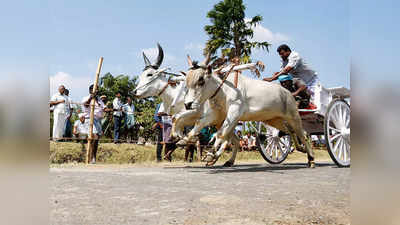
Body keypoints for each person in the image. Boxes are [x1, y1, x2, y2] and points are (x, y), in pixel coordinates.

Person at [81, 84, 106, 163]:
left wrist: (112, 110)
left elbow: (104, 108)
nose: (97, 91)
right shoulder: (86, 98)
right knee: (94, 137)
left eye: (98, 89)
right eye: (96, 89)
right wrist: (91, 98)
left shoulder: (99, 99)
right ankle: (91, 157)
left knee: (97, 138)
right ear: (90, 90)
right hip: (90, 119)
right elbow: (86, 105)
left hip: (98, 120)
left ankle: (93, 157)